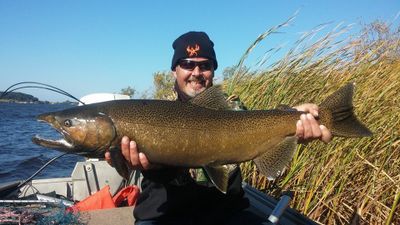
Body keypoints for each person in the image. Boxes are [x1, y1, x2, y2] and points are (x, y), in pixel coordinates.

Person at [105, 31, 332, 225]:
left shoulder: (231, 107)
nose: (196, 73)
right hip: (164, 215)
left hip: (226, 213)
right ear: (175, 70)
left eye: (204, 66)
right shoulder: (153, 110)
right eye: (187, 64)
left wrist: (295, 117)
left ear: (213, 70)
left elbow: (258, 123)